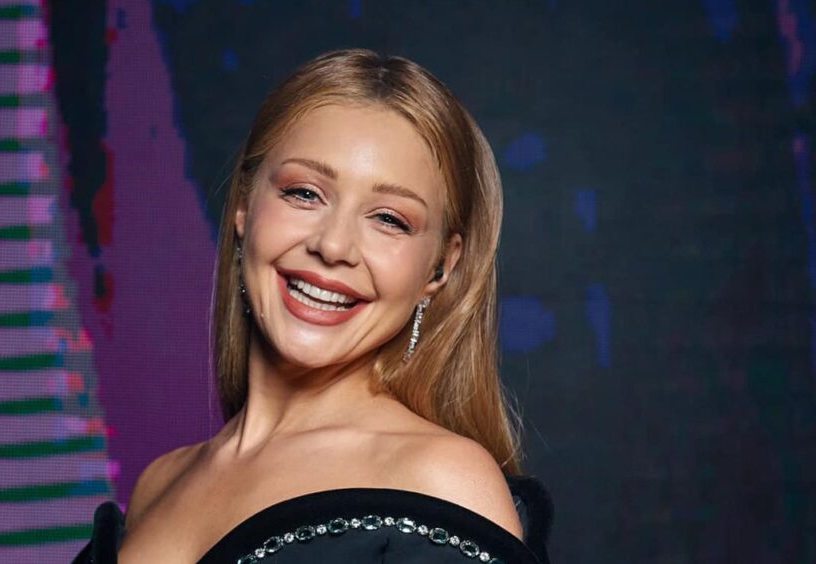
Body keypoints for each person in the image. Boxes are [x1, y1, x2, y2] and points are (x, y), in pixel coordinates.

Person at [74, 48, 552, 564]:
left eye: (389, 219)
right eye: (304, 193)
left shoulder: (441, 480)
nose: (333, 246)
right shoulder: (159, 484)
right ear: (244, 206)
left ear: (440, 268)